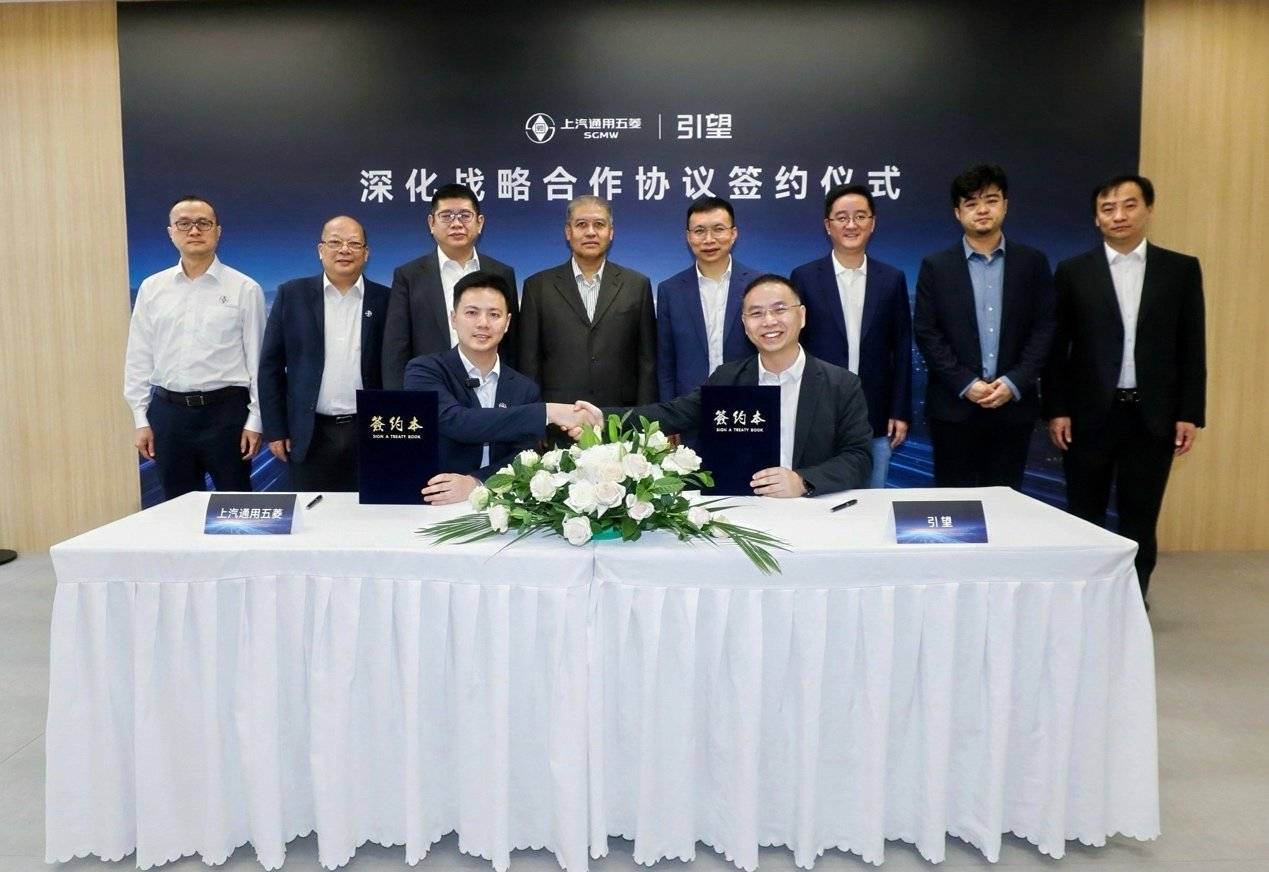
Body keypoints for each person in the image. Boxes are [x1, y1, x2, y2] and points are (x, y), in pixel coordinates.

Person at [1044, 174, 1206, 599]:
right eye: (1108, 208)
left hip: (1153, 416)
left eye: (1129, 205)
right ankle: (1087, 598)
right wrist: (1057, 409)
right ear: (1096, 219)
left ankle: (1133, 599)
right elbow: (1057, 348)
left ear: (1148, 209)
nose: (1119, 216)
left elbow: (1192, 345)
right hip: (1090, 416)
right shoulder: (1073, 272)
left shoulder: (1180, 270)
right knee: (1084, 514)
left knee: (1140, 516)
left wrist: (1189, 413)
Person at [580, 275, 872, 496]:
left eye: (779, 309)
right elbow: (673, 413)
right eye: (756, 313)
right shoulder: (728, 378)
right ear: (745, 324)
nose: (769, 321)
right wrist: (602, 418)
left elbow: (858, 457)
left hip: (812, 510)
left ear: (802, 315)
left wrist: (803, 481)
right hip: (743, 509)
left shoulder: (841, 384)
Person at [913, 164, 1055, 489]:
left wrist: (1014, 381)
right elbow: (927, 331)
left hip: (1013, 407)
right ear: (957, 212)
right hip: (954, 410)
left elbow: (1044, 328)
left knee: (1007, 503)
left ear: (1005, 205)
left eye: (990, 200)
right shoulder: (936, 266)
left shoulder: (1032, 263)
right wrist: (966, 383)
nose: (982, 210)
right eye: (971, 203)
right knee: (955, 505)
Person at [403, 271, 593, 505]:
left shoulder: (524, 389)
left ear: (507, 323)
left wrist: (477, 482)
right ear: (453, 318)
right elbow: (454, 421)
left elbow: (524, 457)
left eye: (494, 314)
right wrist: (547, 412)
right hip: (436, 500)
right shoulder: (424, 370)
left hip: (503, 502)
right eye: (472, 313)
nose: (483, 323)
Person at [123, 195, 265, 500]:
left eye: (203, 223)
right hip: (168, 415)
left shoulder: (245, 288)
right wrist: (140, 418)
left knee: (236, 507)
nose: (194, 231)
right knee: (177, 507)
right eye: (184, 224)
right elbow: (138, 356)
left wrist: (255, 420)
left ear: (218, 231)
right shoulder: (152, 288)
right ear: (171, 232)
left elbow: (258, 363)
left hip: (227, 415)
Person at [793, 183, 912, 487]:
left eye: (860, 216)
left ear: (872, 223)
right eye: (842, 217)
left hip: (876, 413)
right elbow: (794, 348)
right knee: (818, 498)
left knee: (872, 501)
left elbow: (901, 348)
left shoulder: (892, 279)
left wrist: (899, 410)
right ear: (827, 225)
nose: (851, 225)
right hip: (818, 413)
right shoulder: (805, 277)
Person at [258, 216, 390, 491]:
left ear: (366, 253)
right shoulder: (291, 295)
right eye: (335, 243)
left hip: (370, 429)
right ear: (320, 250)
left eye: (354, 244)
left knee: (371, 511)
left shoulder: (386, 300)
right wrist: (275, 429)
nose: (344, 250)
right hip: (309, 431)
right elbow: (270, 366)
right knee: (311, 511)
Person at [518, 195, 657, 414]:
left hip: (621, 416)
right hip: (559, 416)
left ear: (611, 232)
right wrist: (535, 418)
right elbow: (529, 362)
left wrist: (643, 417)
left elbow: (647, 361)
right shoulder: (537, 287)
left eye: (599, 224)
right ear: (568, 231)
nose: (591, 232)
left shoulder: (637, 285)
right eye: (581, 224)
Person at [381, 183, 517, 388]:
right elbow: (396, 348)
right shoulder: (409, 276)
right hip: (429, 389)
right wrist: (399, 399)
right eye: (446, 216)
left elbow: (512, 343)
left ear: (479, 223)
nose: (456, 224)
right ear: (431, 223)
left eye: (465, 215)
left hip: (490, 388)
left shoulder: (502, 273)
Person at [656, 195, 760, 400]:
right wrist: (669, 412)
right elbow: (665, 363)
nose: (709, 239)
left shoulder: (759, 285)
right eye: (699, 231)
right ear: (688, 237)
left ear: (733, 233)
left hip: (747, 402)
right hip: (690, 404)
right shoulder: (670, 290)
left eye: (718, 229)